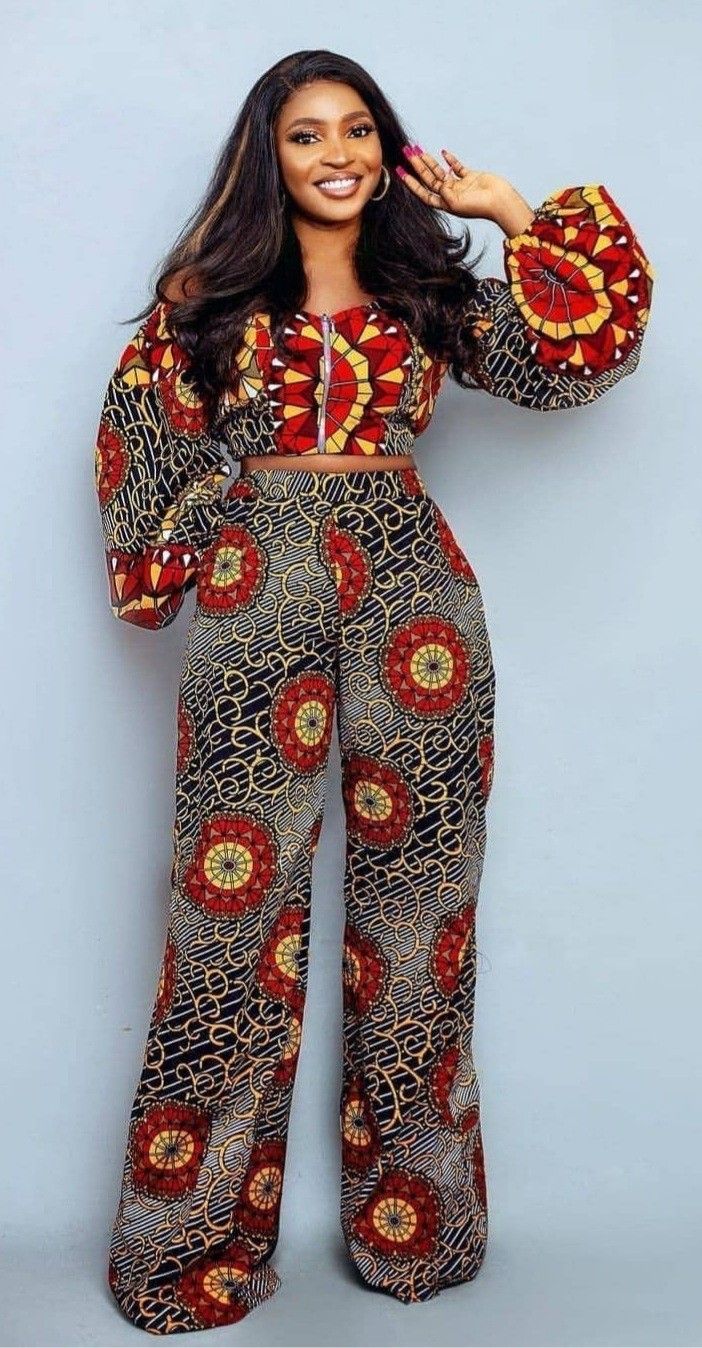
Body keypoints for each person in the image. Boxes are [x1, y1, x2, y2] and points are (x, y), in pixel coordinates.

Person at [93, 48, 654, 1336]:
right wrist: (186, 552)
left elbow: (583, 351)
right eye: (306, 135)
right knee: (229, 921)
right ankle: (188, 1251)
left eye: (357, 130)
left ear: (385, 150)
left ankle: (419, 1234)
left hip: (417, 604)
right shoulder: (207, 299)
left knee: (420, 921)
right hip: (260, 594)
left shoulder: (426, 291)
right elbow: (140, 441)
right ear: (268, 157)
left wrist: (509, 211)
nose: (336, 154)